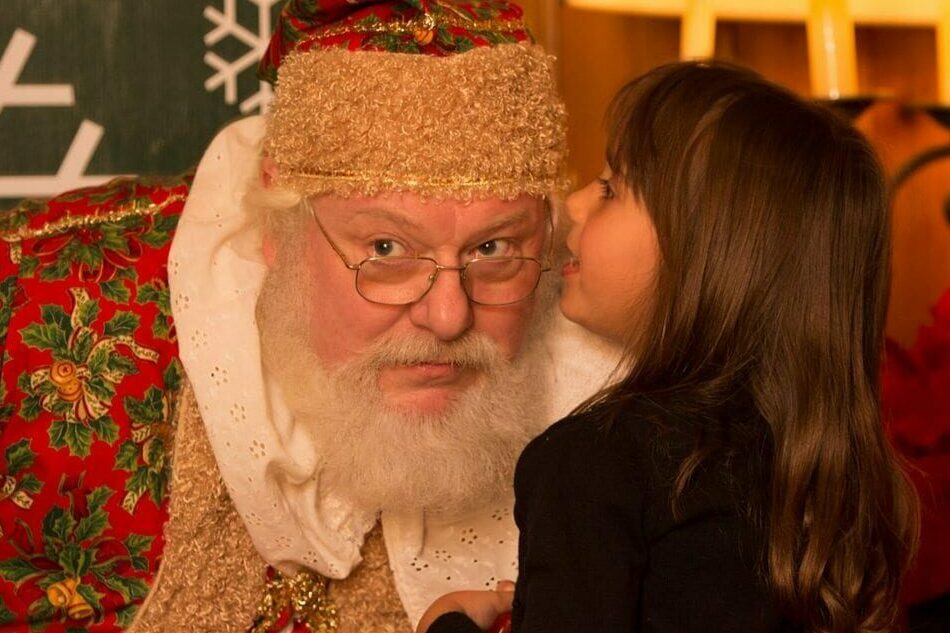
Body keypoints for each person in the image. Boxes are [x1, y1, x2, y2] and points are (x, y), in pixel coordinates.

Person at [0, 1, 618, 631]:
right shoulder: (31, 306)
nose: (448, 316)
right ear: (280, 226)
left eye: (494, 250)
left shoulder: (622, 389)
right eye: (386, 250)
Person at [417, 62, 920, 633]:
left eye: (610, 189)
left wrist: (449, 623)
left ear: (705, 255)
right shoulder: (825, 467)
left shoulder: (592, 461)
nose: (575, 204)